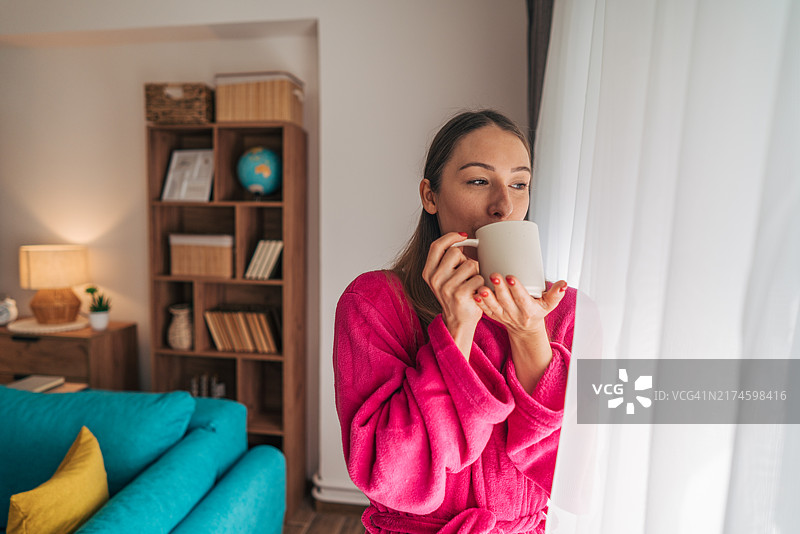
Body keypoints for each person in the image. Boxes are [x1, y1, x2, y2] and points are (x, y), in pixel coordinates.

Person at [333, 109, 576, 534]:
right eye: (479, 181)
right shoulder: (373, 302)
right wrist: (456, 331)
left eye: (519, 184)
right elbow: (389, 476)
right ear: (430, 195)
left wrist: (530, 336)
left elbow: (576, 475)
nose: (504, 205)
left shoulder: (565, 310)